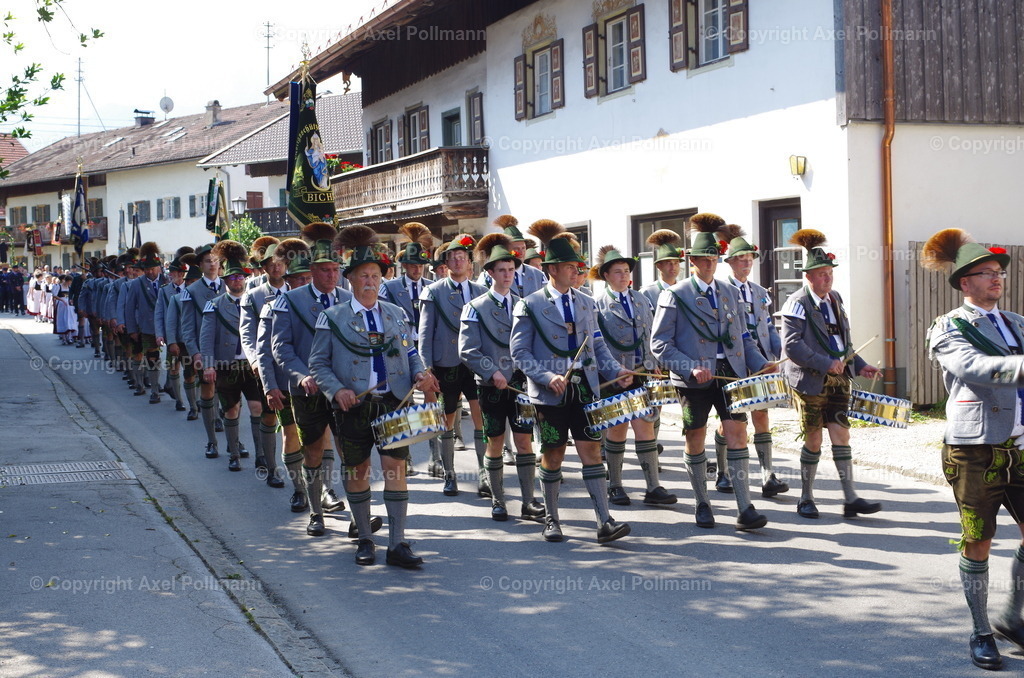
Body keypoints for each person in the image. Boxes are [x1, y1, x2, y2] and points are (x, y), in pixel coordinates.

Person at [922, 229, 1024, 670]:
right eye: (986, 273)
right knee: (979, 540)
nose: (996, 278)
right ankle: (981, 631)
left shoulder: (1017, 322)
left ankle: (1012, 617)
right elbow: (974, 368)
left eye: (999, 271)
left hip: (1020, 445)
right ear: (965, 282)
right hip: (974, 449)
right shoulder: (949, 327)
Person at [309, 226, 439, 567]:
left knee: (396, 469)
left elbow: (410, 353)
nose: (371, 281)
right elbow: (318, 364)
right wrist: (337, 390)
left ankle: (397, 544)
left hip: (394, 403)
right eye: (364, 275)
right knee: (358, 470)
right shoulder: (332, 317)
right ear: (350, 279)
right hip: (354, 406)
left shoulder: (395, 313)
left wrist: (420, 373)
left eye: (376, 275)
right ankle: (365, 539)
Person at [511, 219, 633, 544]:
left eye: (577, 266)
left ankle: (604, 521)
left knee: (591, 450)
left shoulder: (586, 302)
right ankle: (552, 520)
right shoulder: (529, 305)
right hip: (549, 395)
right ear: (552, 269)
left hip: (584, 389)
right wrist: (547, 376)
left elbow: (597, 345)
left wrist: (615, 371)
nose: (576, 271)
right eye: (569, 266)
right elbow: (520, 353)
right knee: (553, 453)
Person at [651, 213, 773, 530]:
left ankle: (745, 507)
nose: (709, 264)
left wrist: (760, 363)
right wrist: (690, 368)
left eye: (714, 258)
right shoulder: (674, 294)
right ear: (692, 260)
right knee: (696, 436)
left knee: (737, 433)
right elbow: (659, 344)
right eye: (704, 259)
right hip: (693, 379)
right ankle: (702, 503)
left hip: (730, 373)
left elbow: (743, 336)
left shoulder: (729, 292)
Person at [780, 229, 881, 519]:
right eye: (822, 274)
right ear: (808, 277)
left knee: (842, 434)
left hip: (839, 380)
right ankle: (806, 498)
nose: (827, 279)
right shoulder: (796, 302)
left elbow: (842, 342)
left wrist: (859, 364)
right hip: (809, 381)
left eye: (830, 273)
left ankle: (850, 498)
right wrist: (825, 363)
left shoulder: (835, 299)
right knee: (813, 440)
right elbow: (792, 346)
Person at [269, 223, 362, 536]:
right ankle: (315, 513)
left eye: (335, 270)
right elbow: (281, 347)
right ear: (312, 270)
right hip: (307, 390)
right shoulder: (289, 300)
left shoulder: (349, 299)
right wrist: (301, 376)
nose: (332, 276)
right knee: (312, 450)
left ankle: (357, 517)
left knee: (349, 451)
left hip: (344, 389)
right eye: (325, 270)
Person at [459, 233, 545, 522]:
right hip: (491, 387)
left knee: (524, 442)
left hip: (521, 385)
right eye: (502, 270)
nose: (508, 275)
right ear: (490, 273)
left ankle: (529, 501)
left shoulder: (525, 304)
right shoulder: (475, 307)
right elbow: (468, 350)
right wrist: (491, 371)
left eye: (511, 269)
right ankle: (498, 500)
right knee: (495, 442)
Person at [589, 245, 675, 507]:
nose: (624, 275)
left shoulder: (641, 299)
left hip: (642, 372)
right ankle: (615, 485)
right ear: (606, 276)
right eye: (618, 272)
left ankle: (653, 487)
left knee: (645, 425)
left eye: (626, 271)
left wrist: (654, 363)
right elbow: (595, 344)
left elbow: (650, 334)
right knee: (617, 428)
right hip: (615, 375)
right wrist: (613, 370)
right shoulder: (597, 305)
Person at [715, 225, 789, 498]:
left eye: (749, 259)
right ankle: (723, 471)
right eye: (741, 259)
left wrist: (780, 353)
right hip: (734, 363)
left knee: (761, 414)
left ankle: (767, 474)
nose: (746, 264)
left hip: (762, 363)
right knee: (732, 420)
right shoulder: (721, 291)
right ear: (730, 262)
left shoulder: (759, 292)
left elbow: (768, 327)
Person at [419, 233, 488, 496]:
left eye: (462, 257)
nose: (458, 262)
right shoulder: (433, 292)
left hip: (475, 364)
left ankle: (484, 473)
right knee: (446, 420)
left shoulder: (481, 292)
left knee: (480, 417)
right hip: (445, 364)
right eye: (452, 258)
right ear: (445, 263)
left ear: (470, 262)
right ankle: (450, 475)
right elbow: (425, 333)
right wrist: (426, 369)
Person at [260, 238, 316, 510]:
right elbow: (264, 352)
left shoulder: (323, 305)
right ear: (289, 280)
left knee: (321, 438)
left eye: (308, 278)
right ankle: (299, 490)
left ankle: (324, 490)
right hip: (285, 384)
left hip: (319, 384)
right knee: (291, 434)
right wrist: (270, 387)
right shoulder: (273, 306)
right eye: (299, 278)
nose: (304, 283)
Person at [200, 241, 265, 473]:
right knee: (231, 410)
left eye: (240, 277)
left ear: (245, 279)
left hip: (251, 365)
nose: (237, 281)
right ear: (225, 280)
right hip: (226, 365)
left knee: (257, 407)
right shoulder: (214, 305)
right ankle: (234, 454)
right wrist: (208, 365)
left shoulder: (256, 302)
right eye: (232, 278)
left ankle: (261, 456)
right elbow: (206, 338)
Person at [381, 222, 436, 476]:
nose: (417, 269)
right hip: (402, 350)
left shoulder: (432, 286)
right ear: (404, 265)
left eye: (420, 265)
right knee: (405, 402)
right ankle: (407, 456)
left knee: (432, 401)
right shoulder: (390, 287)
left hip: (427, 348)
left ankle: (436, 456)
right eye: (412, 265)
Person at [239, 237, 287, 488]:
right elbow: (247, 332)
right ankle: (271, 468)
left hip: (293, 367)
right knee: (269, 417)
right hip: (266, 366)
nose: (276, 267)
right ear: (265, 267)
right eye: (271, 263)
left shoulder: (297, 292)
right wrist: (255, 360)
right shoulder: (253, 295)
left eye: (280, 262)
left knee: (294, 422)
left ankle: (303, 476)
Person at [181, 244, 229, 458]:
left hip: (229, 351)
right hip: (205, 350)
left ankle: (234, 443)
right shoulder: (191, 291)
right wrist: (195, 353)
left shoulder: (229, 285)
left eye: (215, 260)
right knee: (208, 393)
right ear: (200, 265)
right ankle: (212, 441)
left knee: (231, 397)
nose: (212, 264)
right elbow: (187, 327)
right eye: (208, 261)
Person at [123, 242, 166, 403]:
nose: (149, 272)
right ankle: (153, 390)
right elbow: (129, 308)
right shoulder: (136, 284)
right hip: (147, 327)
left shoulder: (167, 281)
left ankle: (170, 385)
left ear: (159, 267)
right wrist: (132, 330)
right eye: (147, 269)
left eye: (152, 268)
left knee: (175, 360)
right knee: (151, 357)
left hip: (168, 326)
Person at [154, 247, 194, 412]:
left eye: (174, 272)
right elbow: (159, 314)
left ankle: (196, 402)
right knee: (173, 367)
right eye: (170, 272)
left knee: (191, 371)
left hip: (189, 336)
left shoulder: (191, 288)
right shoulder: (164, 291)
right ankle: (179, 400)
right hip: (172, 336)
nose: (170, 275)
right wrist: (159, 334)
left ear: (182, 273)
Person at [476, 215, 546, 298]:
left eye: (523, 248)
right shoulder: (489, 276)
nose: (521, 252)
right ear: (506, 250)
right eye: (516, 249)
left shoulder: (538, 274)